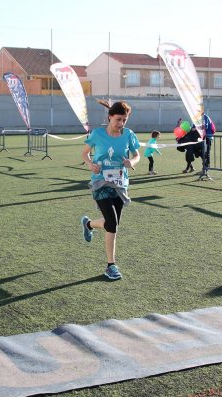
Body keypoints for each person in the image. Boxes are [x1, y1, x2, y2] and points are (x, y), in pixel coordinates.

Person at [80, 99, 140, 281]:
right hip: (100, 183)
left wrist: (132, 162)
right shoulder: (98, 134)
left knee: (111, 224)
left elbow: (137, 155)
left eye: (124, 120)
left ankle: (88, 224)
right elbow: (84, 153)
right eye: (118, 120)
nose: (121, 124)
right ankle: (111, 265)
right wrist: (91, 165)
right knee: (112, 222)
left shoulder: (128, 134)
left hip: (120, 184)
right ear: (110, 117)